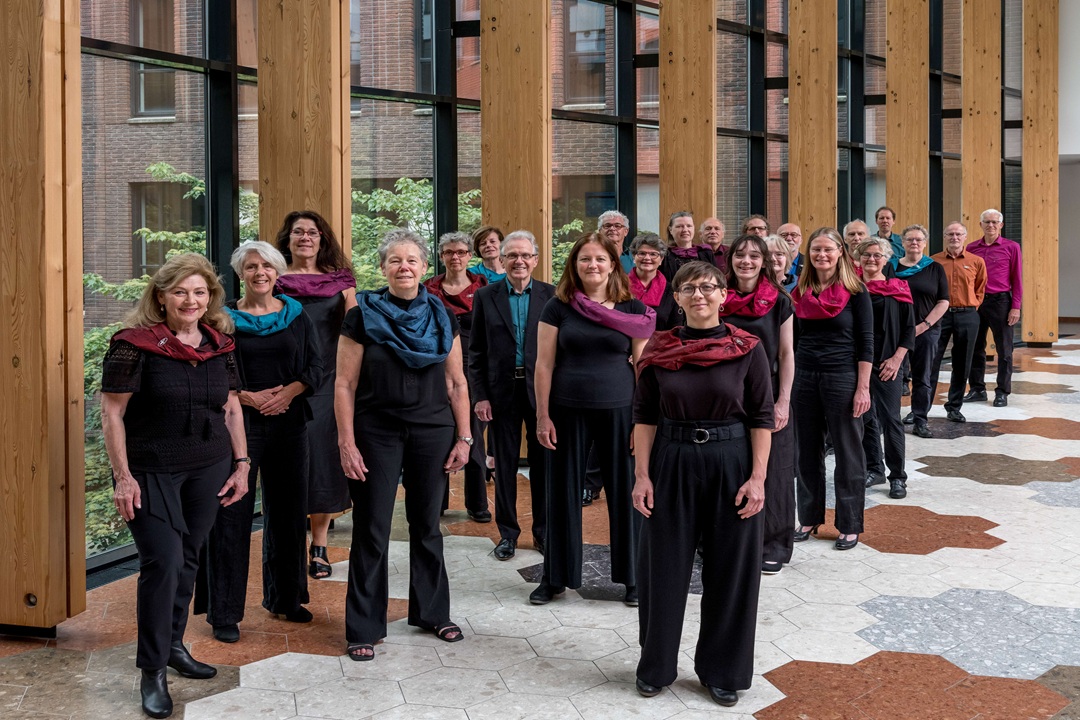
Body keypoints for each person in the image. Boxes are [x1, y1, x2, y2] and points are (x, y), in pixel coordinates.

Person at [100, 253, 248, 718]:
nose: (191, 299)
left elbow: (231, 407)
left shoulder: (220, 344)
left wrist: (242, 464)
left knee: (187, 560)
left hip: (208, 464)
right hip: (150, 468)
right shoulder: (134, 345)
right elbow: (112, 412)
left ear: (211, 298)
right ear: (161, 297)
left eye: (200, 292)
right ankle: (153, 671)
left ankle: (175, 647)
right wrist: (123, 477)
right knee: (162, 562)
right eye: (180, 291)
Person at [632, 261, 773, 707]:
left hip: (732, 460)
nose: (699, 295)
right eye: (689, 288)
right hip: (671, 459)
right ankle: (656, 665)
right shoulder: (658, 349)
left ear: (723, 294)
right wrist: (641, 475)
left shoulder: (748, 347)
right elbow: (644, 416)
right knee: (662, 568)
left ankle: (722, 670)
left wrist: (758, 478)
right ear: (675, 298)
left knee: (732, 571)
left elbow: (762, 417)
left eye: (708, 287)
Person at [335, 229, 472, 661]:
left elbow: (456, 382)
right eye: (395, 260)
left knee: (427, 525)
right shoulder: (361, 315)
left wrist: (465, 437)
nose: (404, 267)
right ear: (383, 268)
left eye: (412, 260)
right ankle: (364, 625)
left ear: (424, 268)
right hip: (376, 431)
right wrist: (345, 441)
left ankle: (432, 612)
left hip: (432, 431)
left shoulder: (442, 315)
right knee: (372, 528)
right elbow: (344, 384)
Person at [204, 242, 324, 643]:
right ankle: (224, 613)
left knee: (289, 514)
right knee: (231, 516)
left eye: (267, 266)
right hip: (239, 427)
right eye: (251, 266)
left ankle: (286, 598)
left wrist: (287, 394)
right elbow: (210, 373)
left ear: (278, 273)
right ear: (241, 273)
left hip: (290, 424)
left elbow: (314, 367)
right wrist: (249, 398)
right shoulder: (222, 320)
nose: (260, 272)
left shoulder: (296, 315)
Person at [532, 233, 655, 606]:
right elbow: (543, 364)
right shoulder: (558, 308)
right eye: (585, 259)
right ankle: (555, 576)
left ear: (614, 265)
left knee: (626, 493)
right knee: (562, 493)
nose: (593, 266)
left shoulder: (633, 309)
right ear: (575, 265)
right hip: (566, 409)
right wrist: (542, 415)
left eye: (600, 259)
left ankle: (633, 578)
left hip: (621, 409)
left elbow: (643, 367)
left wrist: (642, 422)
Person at [274, 210, 357, 581]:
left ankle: (319, 544)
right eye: (298, 232)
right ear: (287, 239)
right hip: (282, 379)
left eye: (313, 232)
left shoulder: (341, 281)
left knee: (322, 461)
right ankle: (288, 545)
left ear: (322, 239)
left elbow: (356, 326)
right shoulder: (272, 278)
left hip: (328, 379)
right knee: (289, 465)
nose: (305, 237)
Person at [469, 230, 554, 560]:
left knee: (543, 464)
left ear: (535, 259)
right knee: (503, 465)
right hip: (500, 392)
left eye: (525, 255)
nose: (519, 261)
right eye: (512, 256)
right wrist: (480, 396)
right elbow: (475, 351)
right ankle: (508, 534)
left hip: (541, 392)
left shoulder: (552, 295)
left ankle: (544, 532)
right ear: (501, 261)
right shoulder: (486, 296)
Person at [791, 228, 872, 551]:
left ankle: (849, 524)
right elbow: (795, 340)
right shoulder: (801, 291)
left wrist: (863, 388)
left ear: (840, 252)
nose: (821, 255)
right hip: (805, 377)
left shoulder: (856, 291)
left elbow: (867, 343)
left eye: (827, 249)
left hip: (843, 377)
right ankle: (809, 517)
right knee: (806, 451)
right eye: (815, 250)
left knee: (848, 452)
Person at [720, 236, 795, 574]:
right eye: (740, 254)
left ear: (764, 261)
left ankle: (773, 543)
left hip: (765, 394)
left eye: (754, 255)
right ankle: (727, 541)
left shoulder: (779, 300)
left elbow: (786, 353)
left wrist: (783, 400)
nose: (746, 261)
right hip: (724, 393)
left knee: (773, 471)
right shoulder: (717, 295)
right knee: (729, 467)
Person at [423, 232, 492, 523]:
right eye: (449, 252)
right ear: (441, 256)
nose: (456, 257)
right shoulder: (428, 289)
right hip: (437, 367)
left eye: (462, 252)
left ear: (469, 256)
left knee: (473, 435)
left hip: (474, 368)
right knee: (440, 434)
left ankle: (477, 502)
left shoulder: (484, 287)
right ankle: (435, 503)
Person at [857, 238, 915, 500]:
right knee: (865, 419)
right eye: (866, 255)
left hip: (888, 364)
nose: (871, 259)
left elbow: (908, 329)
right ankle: (874, 468)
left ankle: (898, 477)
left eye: (877, 255)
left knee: (891, 420)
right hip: (858, 364)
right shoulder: (852, 289)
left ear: (887, 259)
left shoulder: (899, 288)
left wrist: (897, 360)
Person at [893, 225, 950, 439]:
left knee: (922, 376)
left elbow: (943, 301)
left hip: (926, 330)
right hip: (896, 331)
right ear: (903, 243)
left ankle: (920, 419)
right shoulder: (892, 267)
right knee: (891, 375)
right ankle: (888, 419)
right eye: (909, 239)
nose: (914, 243)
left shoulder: (935, 268)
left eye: (918, 239)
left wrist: (923, 326)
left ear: (925, 243)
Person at [964, 208, 1023, 407]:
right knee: (974, 348)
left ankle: (1002, 392)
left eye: (994, 222)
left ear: (1001, 225)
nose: (990, 225)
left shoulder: (1012, 247)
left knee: (1004, 350)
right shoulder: (971, 248)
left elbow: (1017, 279)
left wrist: (1016, 307)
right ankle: (977, 389)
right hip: (976, 303)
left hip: (1001, 303)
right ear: (980, 225)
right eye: (987, 222)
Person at [931, 222, 987, 422]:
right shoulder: (933, 261)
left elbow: (980, 288)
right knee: (931, 360)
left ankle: (954, 407)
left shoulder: (976, 261)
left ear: (965, 237)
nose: (954, 237)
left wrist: (971, 306)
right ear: (945, 237)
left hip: (967, 314)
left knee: (962, 363)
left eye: (958, 234)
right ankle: (921, 408)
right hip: (940, 314)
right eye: (950, 234)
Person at [627, 232, 681, 331]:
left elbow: (676, 329)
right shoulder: (619, 286)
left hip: (661, 345)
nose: (647, 258)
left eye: (653, 254)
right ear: (634, 257)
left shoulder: (672, 291)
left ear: (661, 259)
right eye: (642, 253)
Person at [659, 211, 715, 282]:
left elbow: (715, 280)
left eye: (689, 226)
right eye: (679, 226)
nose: (685, 230)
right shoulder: (664, 255)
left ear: (693, 228)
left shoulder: (706, 253)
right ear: (670, 230)